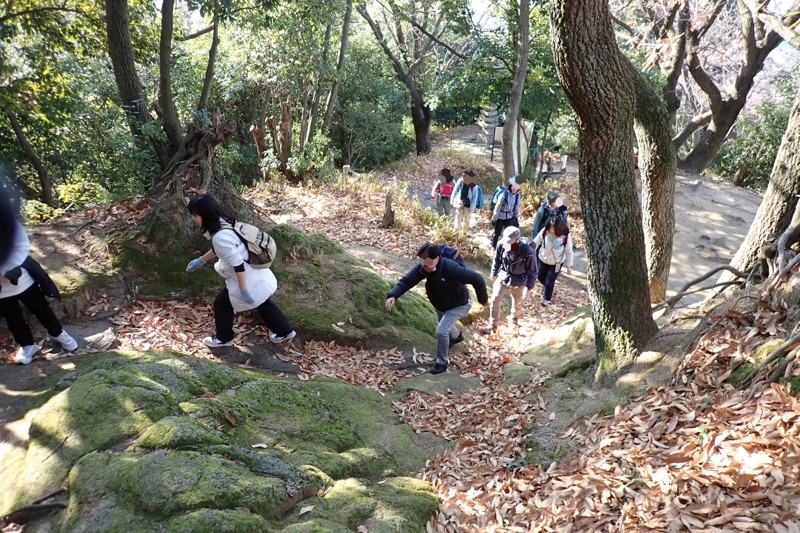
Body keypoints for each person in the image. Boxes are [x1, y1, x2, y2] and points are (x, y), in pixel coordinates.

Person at [185, 194, 296, 347]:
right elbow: (223, 249)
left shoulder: (219, 236)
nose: (193, 219)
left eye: (194, 215)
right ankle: (285, 331)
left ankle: (224, 339)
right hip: (256, 270)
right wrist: (202, 260)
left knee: (222, 303)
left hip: (246, 276)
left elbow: (237, 263)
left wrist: (243, 289)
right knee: (262, 301)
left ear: (203, 215)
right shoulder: (225, 223)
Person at [385, 243, 488, 374]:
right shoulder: (424, 266)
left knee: (441, 331)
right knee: (444, 324)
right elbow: (407, 281)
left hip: (459, 304)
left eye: (427, 265)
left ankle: (441, 363)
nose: (424, 268)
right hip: (441, 304)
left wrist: (483, 300)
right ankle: (456, 337)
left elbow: (477, 279)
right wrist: (393, 295)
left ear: (437, 259)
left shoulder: (451, 268)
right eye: (422, 265)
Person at [0, 220, 78, 364]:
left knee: (41, 309)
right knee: (13, 319)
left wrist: (4, 271)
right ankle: (27, 345)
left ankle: (57, 332)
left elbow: (21, 245)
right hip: (2, 291)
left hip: (24, 279)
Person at [483, 226, 537, 332]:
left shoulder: (527, 251)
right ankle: (493, 326)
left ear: (518, 239)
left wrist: (529, 287)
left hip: (520, 280)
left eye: (511, 242)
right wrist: (494, 272)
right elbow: (497, 259)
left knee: (517, 304)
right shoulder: (502, 245)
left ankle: (514, 322)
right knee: (495, 299)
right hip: (504, 276)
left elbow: (533, 271)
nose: (508, 244)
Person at [532, 218, 573, 306]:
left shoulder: (565, 237)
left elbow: (569, 252)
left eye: (553, 228)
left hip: (556, 263)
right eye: (550, 228)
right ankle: (547, 287)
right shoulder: (544, 232)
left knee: (550, 281)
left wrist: (569, 266)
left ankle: (546, 298)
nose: (551, 230)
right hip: (542, 259)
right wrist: (529, 253)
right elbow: (536, 242)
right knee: (540, 277)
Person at [491, 176, 521, 249]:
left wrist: (516, 218)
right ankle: (494, 245)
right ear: (510, 186)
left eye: (516, 187)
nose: (514, 189)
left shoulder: (517, 195)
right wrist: (494, 217)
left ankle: (507, 247)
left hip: (510, 216)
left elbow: (516, 206)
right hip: (500, 216)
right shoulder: (503, 194)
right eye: (513, 187)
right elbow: (497, 207)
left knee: (510, 233)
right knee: (497, 232)